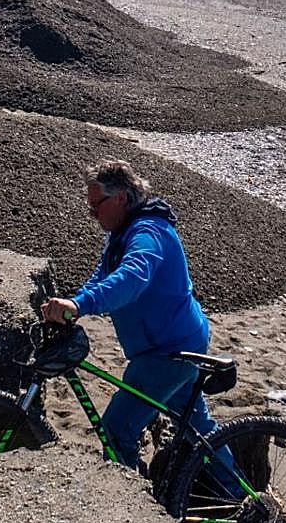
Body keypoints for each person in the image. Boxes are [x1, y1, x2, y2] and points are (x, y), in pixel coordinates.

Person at [41, 159, 221, 472]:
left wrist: (82, 305)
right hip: (173, 342)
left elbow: (133, 276)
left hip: (168, 353)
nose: (93, 215)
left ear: (121, 197)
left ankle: (132, 511)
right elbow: (102, 275)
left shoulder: (148, 232)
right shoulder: (121, 234)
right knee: (200, 432)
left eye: (96, 206)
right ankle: (242, 497)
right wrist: (75, 302)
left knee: (116, 430)